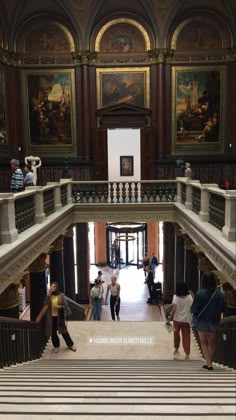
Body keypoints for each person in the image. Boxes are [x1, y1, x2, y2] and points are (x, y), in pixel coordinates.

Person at [191, 272, 224, 370]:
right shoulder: (220, 294)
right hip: (214, 321)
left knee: (203, 342)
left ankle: (208, 363)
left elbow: (194, 309)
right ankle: (209, 362)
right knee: (212, 342)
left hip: (202, 321)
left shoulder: (200, 293)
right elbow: (222, 308)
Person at [45, 282, 76, 353]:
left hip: (60, 316)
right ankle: (56, 346)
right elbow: (45, 303)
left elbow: (65, 306)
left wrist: (59, 307)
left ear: (57, 287)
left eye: (54, 286)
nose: (52, 288)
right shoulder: (49, 295)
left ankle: (70, 344)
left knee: (64, 331)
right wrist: (48, 295)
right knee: (53, 333)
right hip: (51, 317)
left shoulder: (61, 295)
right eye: (51, 286)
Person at [168, 282, 193, 361]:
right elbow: (192, 307)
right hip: (186, 320)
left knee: (176, 335)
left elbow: (174, 309)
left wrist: (169, 318)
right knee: (186, 337)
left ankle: (176, 349)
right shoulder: (189, 297)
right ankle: (187, 355)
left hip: (177, 320)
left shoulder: (175, 297)